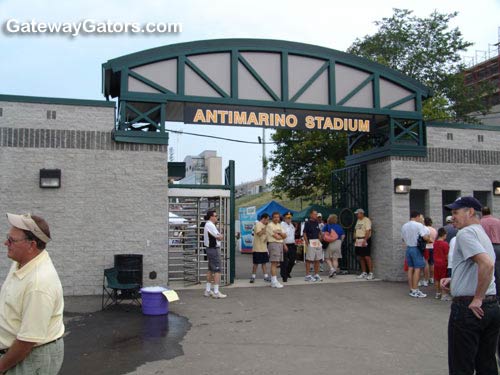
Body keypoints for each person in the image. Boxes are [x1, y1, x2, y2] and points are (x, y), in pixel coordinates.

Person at [440, 196, 500, 374]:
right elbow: (480, 266)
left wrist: (477, 299)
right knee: (486, 363)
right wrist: (456, 279)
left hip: (469, 309)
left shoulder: (465, 233)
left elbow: (486, 264)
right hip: (491, 307)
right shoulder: (481, 233)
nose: (452, 218)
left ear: (471, 212)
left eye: (456, 213)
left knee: (461, 366)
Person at [0, 213, 64, 374]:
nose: (5, 243)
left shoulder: (39, 284)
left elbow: (26, 342)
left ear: (31, 245)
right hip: (20, 352)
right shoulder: (22, 262)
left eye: (12, 240)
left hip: (30, 358)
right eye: (8, 237)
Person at [401, 210, 430, 298]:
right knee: (417, 269)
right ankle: (415, 289)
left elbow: (403, 239)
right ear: (417, 216)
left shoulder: (404, 226)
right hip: (416, 248)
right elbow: (425, 237)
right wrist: (428, 238)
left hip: (408, 248)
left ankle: (411, 289)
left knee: (410, 268)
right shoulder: (419, 225)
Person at [203, 210, 226, 298]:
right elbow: (219, 237)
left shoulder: (208, 225)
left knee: (210, 269)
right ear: (211, 217)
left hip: (209, 249)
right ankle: (216, 292)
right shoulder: (210, 225)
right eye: (215, 216)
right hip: (213, 249)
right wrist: (221, 235)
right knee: (217, 270)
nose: (217, 217)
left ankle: (208, 290)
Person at [480, 206, 500, 297]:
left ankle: (489, 292)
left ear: (482, 213)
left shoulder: (480, 223)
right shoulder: (497, 221)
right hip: (498, 246)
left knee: (488, 270)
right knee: (498, 270)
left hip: (486, 247)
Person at [266, 212, 287, 288]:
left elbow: (285, 235)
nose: (276, 218)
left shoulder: (279, 225)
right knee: (274, 263)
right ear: (272, 218)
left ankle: (273, 280)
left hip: (280, 244)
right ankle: (274, 281)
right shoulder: (270, 225)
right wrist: (281, 235)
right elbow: (276, 237)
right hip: (274, 244)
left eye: (278, 217)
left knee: (276, 263)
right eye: (275, 217)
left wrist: (280, 233)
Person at [250, 213, 270, 284]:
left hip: (264, 248)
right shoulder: (258, 224)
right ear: (263, 219)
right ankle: (253, 277)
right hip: (257, 248)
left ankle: (266, 276)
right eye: (267, 219)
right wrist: (265, 228)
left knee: (264, 263)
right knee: (256, 263)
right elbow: (259, 233)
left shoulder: (265, 226)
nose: (268, 221)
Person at [353, 208, 374, 280]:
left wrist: (365, 240)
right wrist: (355, 238)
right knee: (360, 257)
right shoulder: (358, 220)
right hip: (358, 239)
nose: (356, 215)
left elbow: (368, 230)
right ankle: (364, 272)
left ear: (361, 213)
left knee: (367, 256)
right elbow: (356, 230)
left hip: (364, 239)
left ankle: (371, 273)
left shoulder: (366, 220)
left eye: (357, 213)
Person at [303, 210, 323, 282]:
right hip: (311, 241)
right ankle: (307, 275)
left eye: (316, 214)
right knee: (309, 259)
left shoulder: (317, 223)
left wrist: (320, 238)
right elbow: (304, 233)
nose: (316, 216)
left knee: (317, 259)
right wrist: (307, 242)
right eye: (314, 214)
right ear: (311, 215)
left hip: (317, 242)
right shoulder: (307, 223)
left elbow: (319, 232)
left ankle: (316, 274)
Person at [433, 228, 449, 300]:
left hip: (436, 263)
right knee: (443, 279)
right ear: (443, 234)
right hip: (443, 263)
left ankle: (437, 293)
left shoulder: (435, 243)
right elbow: (447, 255)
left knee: (437, 278)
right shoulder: (445, 244)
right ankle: (444, 294)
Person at [281, 212, 297, 281]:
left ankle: (287, 272)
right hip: (285, 244)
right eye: (288, 217)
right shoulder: (282, 225)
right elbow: (281, 236)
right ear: (284, 218)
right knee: (284, 261)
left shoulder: (291, 225)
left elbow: (292, 234)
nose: (289, 219)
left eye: (290, 217)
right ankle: (284, 276)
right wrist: (284, 245)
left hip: (292, 244)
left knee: (292, 261)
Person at [421, 217, 437, 287]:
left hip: (426, 247)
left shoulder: (424, 229)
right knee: (432, 263)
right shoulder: (434, 230)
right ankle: (432, 278)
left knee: (426, 263)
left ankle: (426, 279)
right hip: (433, 247)